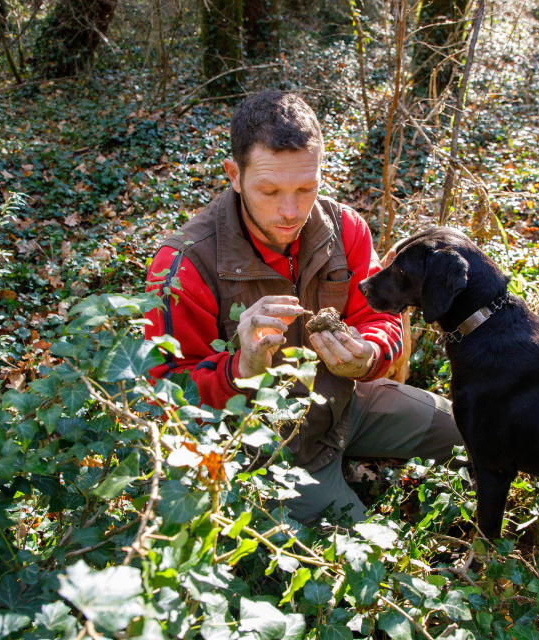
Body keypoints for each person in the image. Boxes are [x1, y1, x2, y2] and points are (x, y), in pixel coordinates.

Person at [144, 90, 461, 524]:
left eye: (306, 187)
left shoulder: (345, 228)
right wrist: (240, 369)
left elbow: (379, 316)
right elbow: (164, 396)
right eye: (270, 190)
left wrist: (368, 355)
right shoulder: (184, 265)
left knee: (473, 432)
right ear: (234, 174)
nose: (290, 211)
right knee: (369, 564)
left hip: (345, 403)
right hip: (266, 453)